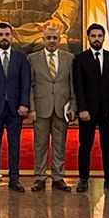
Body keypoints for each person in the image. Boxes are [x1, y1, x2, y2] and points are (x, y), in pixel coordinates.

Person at [72, 24, 109, 193]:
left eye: (99, 35)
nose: (96, 38)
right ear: (88, 38)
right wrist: (82, 108)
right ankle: (83, 179)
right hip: (87, 111)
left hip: (108, 111)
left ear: (104, 38)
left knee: (108, 146)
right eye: (93, 35)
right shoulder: (80, 59)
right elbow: (78, 86)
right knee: (85, 146)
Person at [0, 21, 32, 190]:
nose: (4, 37)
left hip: (15, 108)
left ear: (11, 36)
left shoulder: (20, 57)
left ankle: (14, 179)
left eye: (7, 34)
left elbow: (26, 82)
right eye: (1, 34)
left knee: (14, 145)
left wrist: (25, 104)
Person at [27, 22, 74, 191]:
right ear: (43, 39)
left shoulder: (69, 58)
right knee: (40, 144)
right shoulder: (32, 58)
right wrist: (31, 108)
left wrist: (73, 106)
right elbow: (30, 85)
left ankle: (58, 177)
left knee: (60, 144)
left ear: (60, 39)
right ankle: (39, 177)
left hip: (62, 108)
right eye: (49, 38)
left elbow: (73, 84)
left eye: (55, 38)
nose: (52, 41)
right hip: (40, 108)